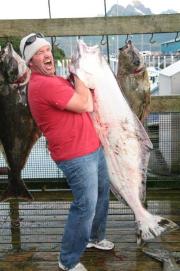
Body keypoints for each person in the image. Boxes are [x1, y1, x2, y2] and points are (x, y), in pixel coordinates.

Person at [20, 33, 114, 271]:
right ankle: (68, 260)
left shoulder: (56, 80)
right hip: (76, 156)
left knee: (102, 195)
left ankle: (94, 238)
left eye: (47, 50)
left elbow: (84, 98)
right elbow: (85, 104)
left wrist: (76, 76)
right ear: (30, 62)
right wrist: (80, 71)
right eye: (38, 54)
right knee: (85, 206)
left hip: (93, 147)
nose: (46, 55)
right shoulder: (43, 85)